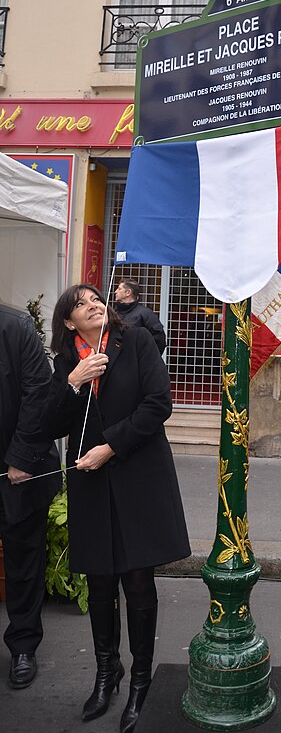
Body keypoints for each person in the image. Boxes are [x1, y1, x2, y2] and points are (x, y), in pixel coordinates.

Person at [41, 285, 190, 731]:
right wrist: (73, 383)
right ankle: (107, 673)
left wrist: (112, 445)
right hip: (91, 480)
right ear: (69, 323)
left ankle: (141, 679)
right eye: (82, 304)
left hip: (137, 474)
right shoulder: (69, 361)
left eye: (95, 299)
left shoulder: (137, 340)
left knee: (139, 581)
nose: (95, 305)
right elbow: (50, 423)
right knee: (100, 580)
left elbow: (157, 404)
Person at [0, 304, 61, 689]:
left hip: (17, 471)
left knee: (23, 563)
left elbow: (39, 395)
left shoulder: (16, 326)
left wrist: (20, 459)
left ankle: (23, 646)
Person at [114, 279, 166, 355]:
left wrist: (147, 359)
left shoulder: (145, 314)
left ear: (128, 292)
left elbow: (159, 339)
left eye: (119, 289)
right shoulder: (114, 314)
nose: (115, 291)